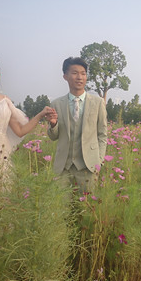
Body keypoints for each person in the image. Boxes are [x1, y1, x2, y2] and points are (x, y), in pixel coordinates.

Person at [46, 57, 108, 193]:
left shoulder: (98, 103)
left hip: (88, 166)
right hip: (63, 167)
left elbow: (102, 135)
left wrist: (99, 160)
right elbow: (53, 136)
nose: (79, 77)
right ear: (65, 76)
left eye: (83, 73)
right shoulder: (56, 104)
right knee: (60, 203)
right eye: (74, 73)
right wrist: (53, 124)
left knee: (87, 204)